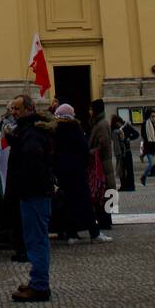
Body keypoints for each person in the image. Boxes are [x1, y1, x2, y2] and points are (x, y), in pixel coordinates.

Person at [7, 93, 54, 302]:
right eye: (12, 109)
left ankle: (40, 286)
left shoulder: (32, 132)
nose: (14, 112)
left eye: (17, 109)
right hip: (32, 191)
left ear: (29, 108)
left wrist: (22, 183)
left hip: (34, 192)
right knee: (34, 239)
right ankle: (37, 281)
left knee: (37, 241)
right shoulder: (27, 129)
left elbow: (32, 161)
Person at [52, 104, 103, 243]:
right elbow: (84, 149)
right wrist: (84, 165)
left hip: (63, 172)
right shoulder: (75, 128)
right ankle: (94, 233)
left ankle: (72, 234)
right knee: (85, 202)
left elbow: (54, 152)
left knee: (68, 202)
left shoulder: (56, 130)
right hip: (77, 171)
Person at [88, 99, 116, 231]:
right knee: (104, 191)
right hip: (103, 163)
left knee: (103, 191)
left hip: (102, 164)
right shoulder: (98, 124)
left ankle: (105, 220)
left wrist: (90, 152)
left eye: (91, 109)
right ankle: (106, 220)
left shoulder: (101, 125)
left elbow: (103, 145)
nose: (89, 111)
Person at [140, 107, 155, 186]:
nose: (154, 118)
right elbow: (143, 135)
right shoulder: (145, 124)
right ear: (149, 116)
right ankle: (143, 176)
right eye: (152, 116)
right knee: (152, 163)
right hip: (149, 147)